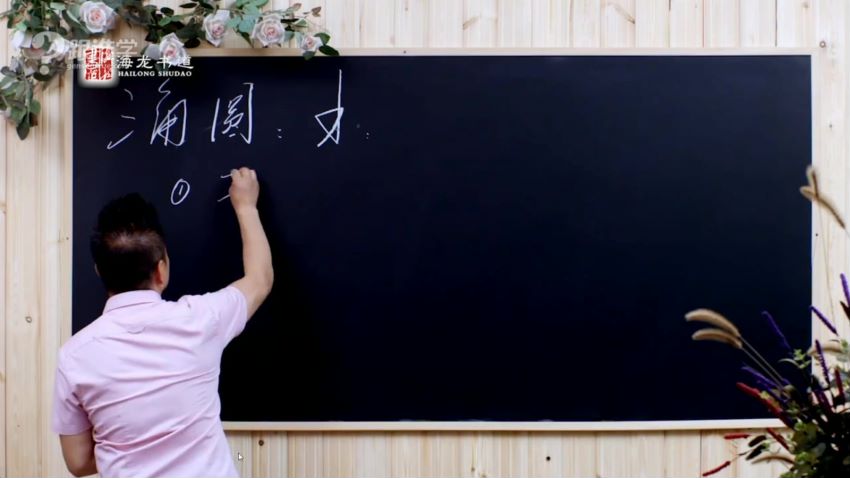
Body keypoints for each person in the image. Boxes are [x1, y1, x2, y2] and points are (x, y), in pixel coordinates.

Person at [52, 167, 273, 477]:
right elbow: (260, 280)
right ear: (161, 270)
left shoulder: (74, 356)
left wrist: (130, 446)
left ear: (99, 271)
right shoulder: (201, 320)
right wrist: (246, 207)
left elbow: (77, 463)